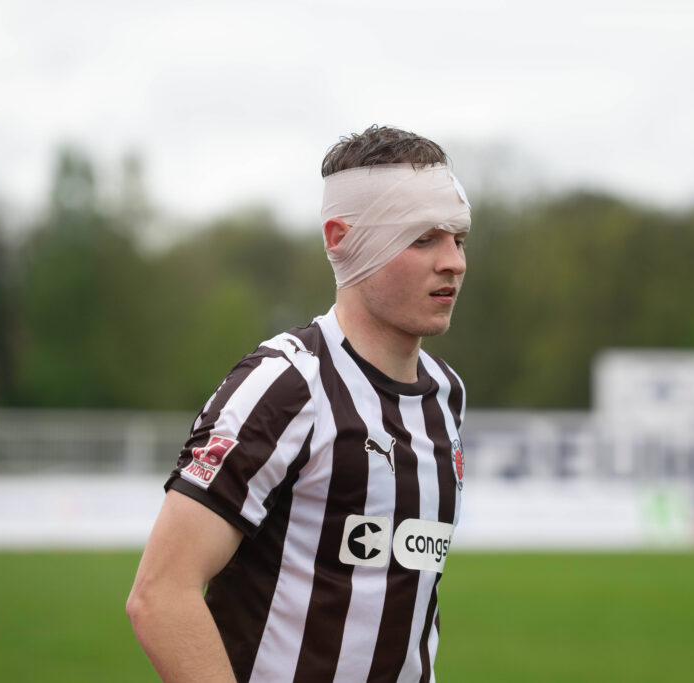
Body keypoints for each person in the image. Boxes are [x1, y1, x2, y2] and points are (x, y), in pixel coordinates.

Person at [126, 125, 471, 682]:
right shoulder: (286, 387)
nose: (453, 261)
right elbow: (161, 594)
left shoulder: (446, 394)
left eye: (458, 238)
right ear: (341, 239)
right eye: (422, 239)